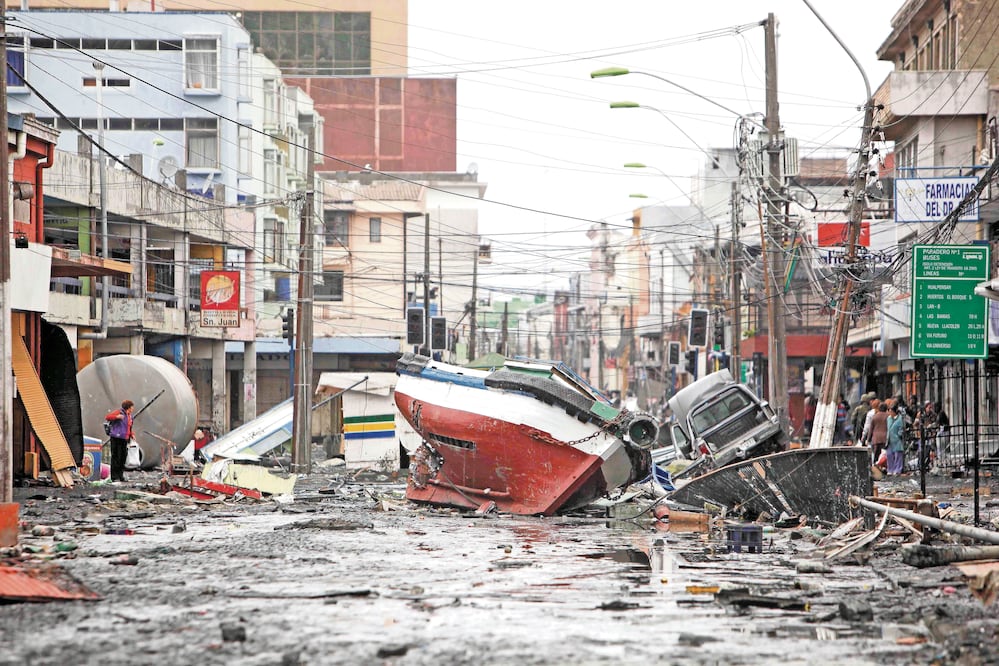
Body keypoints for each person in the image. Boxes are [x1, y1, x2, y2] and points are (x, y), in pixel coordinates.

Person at [104, 399, 134, 482]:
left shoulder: (130, 416)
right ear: (128, 407)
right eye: (132, 407)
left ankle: (121, 475)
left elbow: (129, 427)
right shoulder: (119, 412)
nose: (132, 409)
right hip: (116, 437)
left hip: (124, 438)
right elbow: (108, 417)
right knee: (116, 456)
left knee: (123, 457)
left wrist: (132, 434)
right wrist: (116, 417)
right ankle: (114, 476)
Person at [886, 403, 906, 475]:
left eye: (891, 411)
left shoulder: (900, 419)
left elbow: (901, 428)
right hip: (889, 439)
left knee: (898, 455)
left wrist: (899, 434)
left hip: (897, 440)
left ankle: (897, 469)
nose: (889, 413)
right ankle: (890, 469)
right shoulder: (888, 419)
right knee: (889, 455)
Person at [868, 402, 889, 467]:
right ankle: (884, 467)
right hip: (885, 438)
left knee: (876, 455)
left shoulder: (875, 417)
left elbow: (871, 429)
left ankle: (876, 467)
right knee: (885, 455)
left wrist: (868, 439)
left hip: (876, 439)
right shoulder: (888, 416)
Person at [934, 401, 951, 470]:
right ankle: (942, 461)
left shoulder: (941, 414)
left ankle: (943, 462)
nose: (934, 409)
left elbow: (940, 423)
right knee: (941, 449)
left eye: (935, 407)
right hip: (943, 432)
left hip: (944, 433)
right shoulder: (939, 414)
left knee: (942, 448)